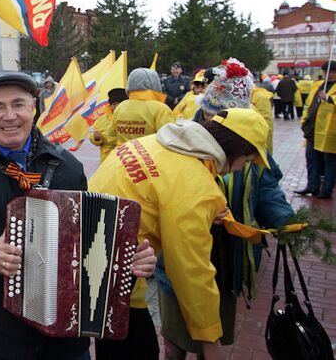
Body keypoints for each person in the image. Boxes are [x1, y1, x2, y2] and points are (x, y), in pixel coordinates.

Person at [0, 72, 157, 360]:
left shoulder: (67, 166)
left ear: (33, 108)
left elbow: (88, 248)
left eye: (18, 104)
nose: (10, 116)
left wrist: (125, 262)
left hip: (65, 338)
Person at [91, 107, 270, 360]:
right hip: (116, 278)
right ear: (236, 149)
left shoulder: (158, 142)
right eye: (248, 160)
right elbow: (190, 270)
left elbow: (164, 193)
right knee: (139, 351)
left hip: (93, 256)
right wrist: (211, 340)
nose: (241, 168)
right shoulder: (194, 185)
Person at [155, 59, 294, 359]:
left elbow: (267, 187)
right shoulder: (180, 139)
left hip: (227, 258)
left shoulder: (248, 141)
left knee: (213, 335)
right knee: (176, 341)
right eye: (213, 115)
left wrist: (283, 219)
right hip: (181, 257)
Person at [296, 61, 336, 199]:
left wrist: (330, 98)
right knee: (311, 158)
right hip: (313, 130)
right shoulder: (318, 85)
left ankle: (326, 190)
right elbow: (309, 104)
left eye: (332, 72)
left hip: (329, 132)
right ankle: (312, 186)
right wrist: (304, 120)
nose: (329, 75)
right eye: (327, 72)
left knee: (330, 161)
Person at [105, 67, 173, 147]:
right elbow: (169, 139)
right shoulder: (161, 108)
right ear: (155, 83)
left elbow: (110, 137)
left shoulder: (121, 106)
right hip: (150, 156)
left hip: (124, 156)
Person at [89, 88, 128, 162]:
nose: (117, 107)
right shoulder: (101, 119)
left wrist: (107, 138)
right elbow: (93, 137)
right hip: (107, 160)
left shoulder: (132, 117)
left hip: (126, 158)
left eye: (120, 104)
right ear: (110, 105)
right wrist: (96, 138)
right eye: (114, 104)